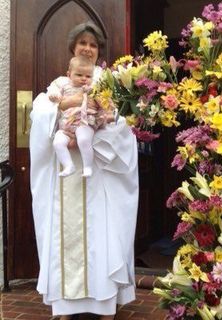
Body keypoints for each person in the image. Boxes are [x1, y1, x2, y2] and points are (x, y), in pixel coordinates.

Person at [29, 21, 139, 320]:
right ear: (73, 48)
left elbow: (121, 124)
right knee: (66, 236)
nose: (88, 48)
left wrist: (92, 131)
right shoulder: (61, 81)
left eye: (93, 44)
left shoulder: (111, 83)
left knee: (102, 234)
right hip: (68, 174)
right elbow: (41, 110)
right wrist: (64, 111)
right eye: (82, 43)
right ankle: (65, 306)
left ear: (99, 50)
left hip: (100, 173)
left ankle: (105, 304)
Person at [49, 56, 113, 177]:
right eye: (79, 75)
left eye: (88, 76)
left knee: (83, 139)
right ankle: (68, 165)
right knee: (58, 142)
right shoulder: (64, 86)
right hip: (66, 125)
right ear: (69, 75)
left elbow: (104, 104)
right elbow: (56, 99)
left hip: (85, 122)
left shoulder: (93, 89)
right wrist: (54, 97)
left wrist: (106, 110)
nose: (84, 79)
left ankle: (87, 167)